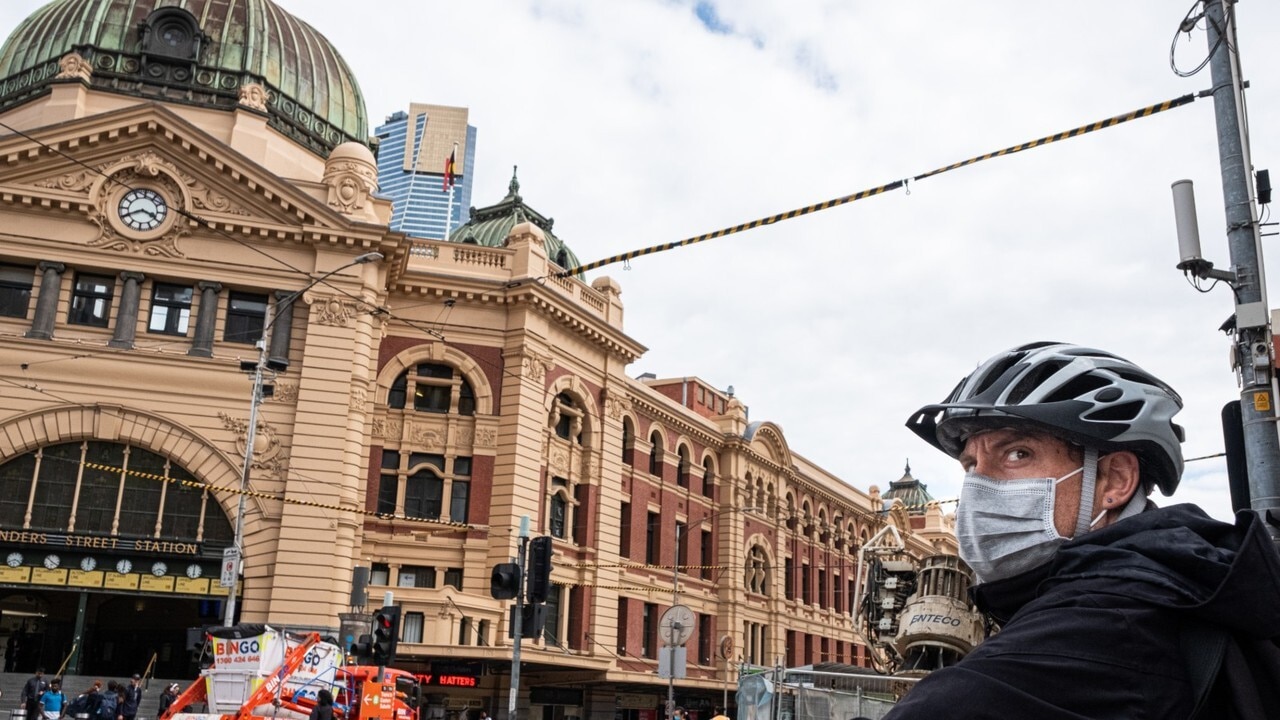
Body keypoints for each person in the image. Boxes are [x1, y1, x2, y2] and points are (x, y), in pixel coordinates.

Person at [890, 341, 1280, 719]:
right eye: (970, 465)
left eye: (1017, 454)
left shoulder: (1107, 626)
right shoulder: (1181, 584)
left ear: (1114, 480)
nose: (977, 487)